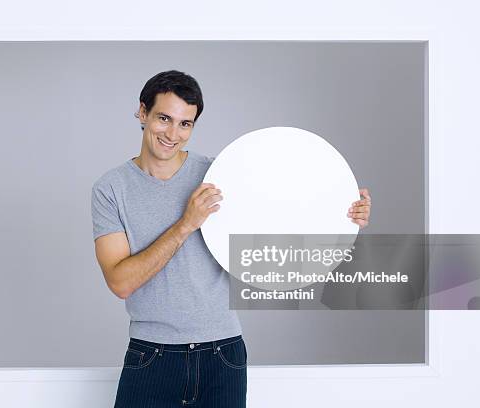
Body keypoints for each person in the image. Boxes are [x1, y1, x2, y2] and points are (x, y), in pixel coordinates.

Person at [91, 70, 371, 407]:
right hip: (151, 353)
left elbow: (285, 212)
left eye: (185, 124)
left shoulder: (218, 175)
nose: (173, 133)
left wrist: (342, 212)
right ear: (142, 112)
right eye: (164, 118)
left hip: (222, 353)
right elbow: (120, 282)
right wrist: (185, 224)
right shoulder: (111, 189)